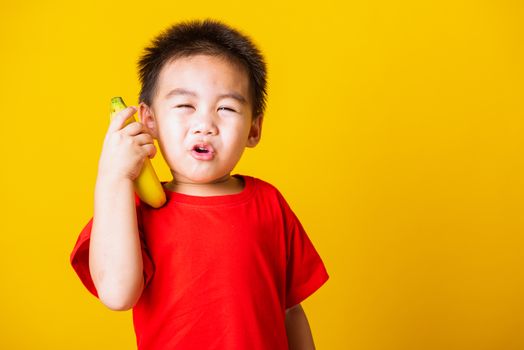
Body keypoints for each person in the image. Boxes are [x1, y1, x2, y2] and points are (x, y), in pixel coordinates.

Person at [70, 18, 329, 349]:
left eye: (226, 107)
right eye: (184, 106)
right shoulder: (135, 210)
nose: (205, 124)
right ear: (149, 120)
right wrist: (113, 175)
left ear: (254, 129)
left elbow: (291, 310)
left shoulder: (269, 203)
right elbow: (117, 293)